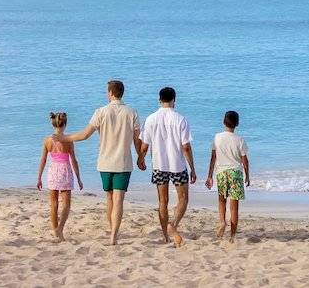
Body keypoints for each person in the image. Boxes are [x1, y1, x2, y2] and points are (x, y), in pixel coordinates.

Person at [68, 79, 141, 245]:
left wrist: (65, 137)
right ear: (121, 93)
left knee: (109, 198)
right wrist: (141, 157)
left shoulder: (100, 112)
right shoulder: (132, 112)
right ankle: (114, 234)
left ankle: (111, 230)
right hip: (123, 162)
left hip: (105, 162)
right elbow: (137, 140)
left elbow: (84, 135)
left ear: (110, 93)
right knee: (119, 200)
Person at [136, 86, 196, 246]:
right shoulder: (180, 119)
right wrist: (192, 168)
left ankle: (165, 236)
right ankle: (173, 225)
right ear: (174, 101)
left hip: (159, 164)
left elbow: (144, 145)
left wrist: (140, 159)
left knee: (163, 201)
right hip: (177, 164)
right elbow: (186, 147)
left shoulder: (150, 119)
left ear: (159, 100)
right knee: (183, 198)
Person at [35, 111, 82, 241]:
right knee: (66, 205)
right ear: (65, 124)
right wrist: (78, 178)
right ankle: (60, 228)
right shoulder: (68, 141)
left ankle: (56, 232)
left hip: (53, 171)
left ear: (53, 124)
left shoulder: (47, 140)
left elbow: (43, 160)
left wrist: (39, 177)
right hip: (65, 171)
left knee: (54, 204)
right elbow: (73, 160)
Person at [204, 109, 249, 241]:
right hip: (235, 173)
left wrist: (209, 176)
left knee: (221, 200)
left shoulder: (217, 137)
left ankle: (222, 221)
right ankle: (232, 236)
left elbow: (213, 158)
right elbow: (245, 161)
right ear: (237, 124)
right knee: (234, 207)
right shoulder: (240, 140)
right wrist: (248, 175)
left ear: (224, 121)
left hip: (221, 172)